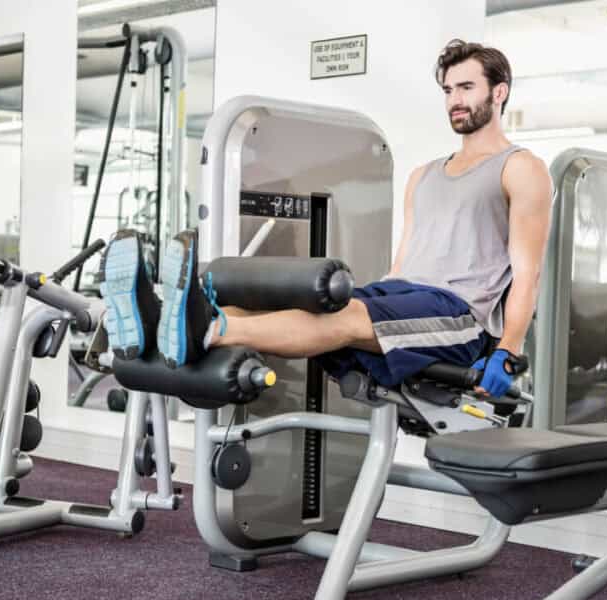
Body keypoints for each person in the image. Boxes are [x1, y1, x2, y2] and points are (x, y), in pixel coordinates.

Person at [100, 39, 552, 398]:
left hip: (457, 315)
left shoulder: (520, 167)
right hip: (402, 295)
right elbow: (403, 263)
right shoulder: (423, 175)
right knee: (298, 304)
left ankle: (211, 329)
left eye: (466, 88)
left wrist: (507, 349)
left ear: (499, 91)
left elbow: (527, 275)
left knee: (348, 317)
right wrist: (384, 291)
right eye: (449, 90)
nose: (454, 99)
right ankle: (160, 323)